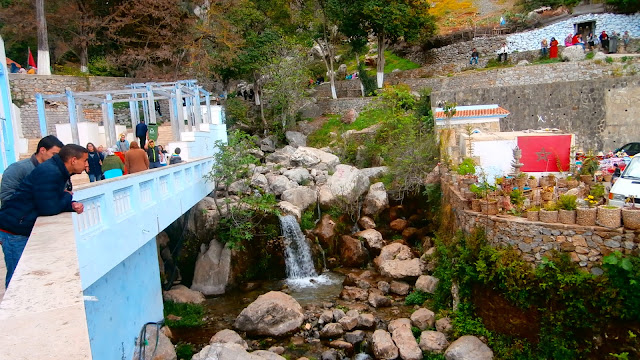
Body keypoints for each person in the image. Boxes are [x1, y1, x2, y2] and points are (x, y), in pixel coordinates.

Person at [0, 144, 87, 287]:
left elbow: (50, 199)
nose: (86, 165)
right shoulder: (51, 172)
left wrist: (69, 204)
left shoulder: (56, 170)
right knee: (17, 277)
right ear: (73, 160)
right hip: (14, 230)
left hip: (20, 226)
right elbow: (49, 208)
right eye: (84, 161)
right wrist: (66, 196)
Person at [0, 135, 64, 204]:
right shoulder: (17, 169)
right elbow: (7, 198)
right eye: (54, 154)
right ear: (42, 150)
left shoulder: (56, 171)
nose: (57, 158)